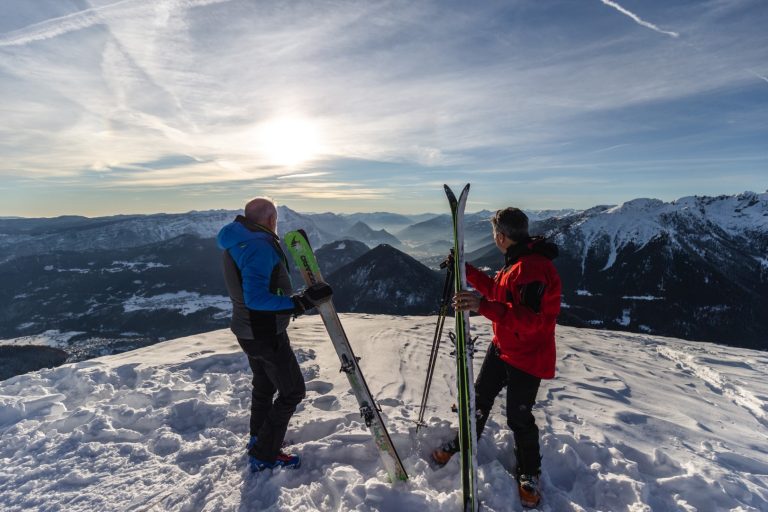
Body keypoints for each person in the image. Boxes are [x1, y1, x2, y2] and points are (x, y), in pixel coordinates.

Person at [432, 207, 561, 508]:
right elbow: (497, 290)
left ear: (501, 237)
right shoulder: (517, 262)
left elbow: (532, 320)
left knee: (519, 417)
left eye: (494, 235)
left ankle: (529, 472)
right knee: (478, 397)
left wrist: (482, 306)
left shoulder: (532, 269)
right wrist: (465, 269)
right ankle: (465, 442)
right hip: (503, 347)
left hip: (528, 357)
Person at [217, 197, 331, 472]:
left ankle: (260, 437)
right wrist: (299, 303)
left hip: (247, 330)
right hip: (265, 332)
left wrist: (294, 301)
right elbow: (256, 298)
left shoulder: (237, 242)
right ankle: (265, 452)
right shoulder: (258, 247)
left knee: (265, 385)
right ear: (270, 220)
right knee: (293, 392)